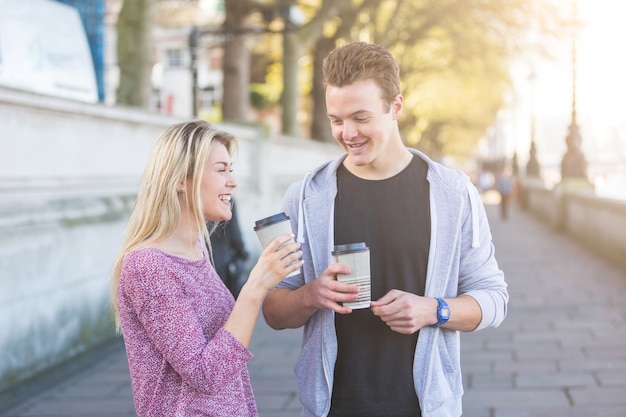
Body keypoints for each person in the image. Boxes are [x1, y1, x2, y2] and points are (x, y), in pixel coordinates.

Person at [261, 42, 509, 417]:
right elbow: (274, 311)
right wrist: (311, 294)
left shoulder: (452, 193)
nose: (348, 133)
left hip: (425, 407)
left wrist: (434, 309)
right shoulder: (306, 197)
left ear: (396, 107)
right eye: (336, 120)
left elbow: (494, 300)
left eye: (361, 118)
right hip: (331, 406)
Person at [110, 120, 303, 417]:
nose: (232, 181)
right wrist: (255, 288)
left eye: (231, 169)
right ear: (180, 180)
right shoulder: (148, 266)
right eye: (221, 169)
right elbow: (206, 373)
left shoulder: (196, 249)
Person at [208, 199, 249, 297]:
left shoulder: (197, 198)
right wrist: (243, 255)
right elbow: (235, 234)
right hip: (223, 263)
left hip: (205, 262)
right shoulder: (227, 200)